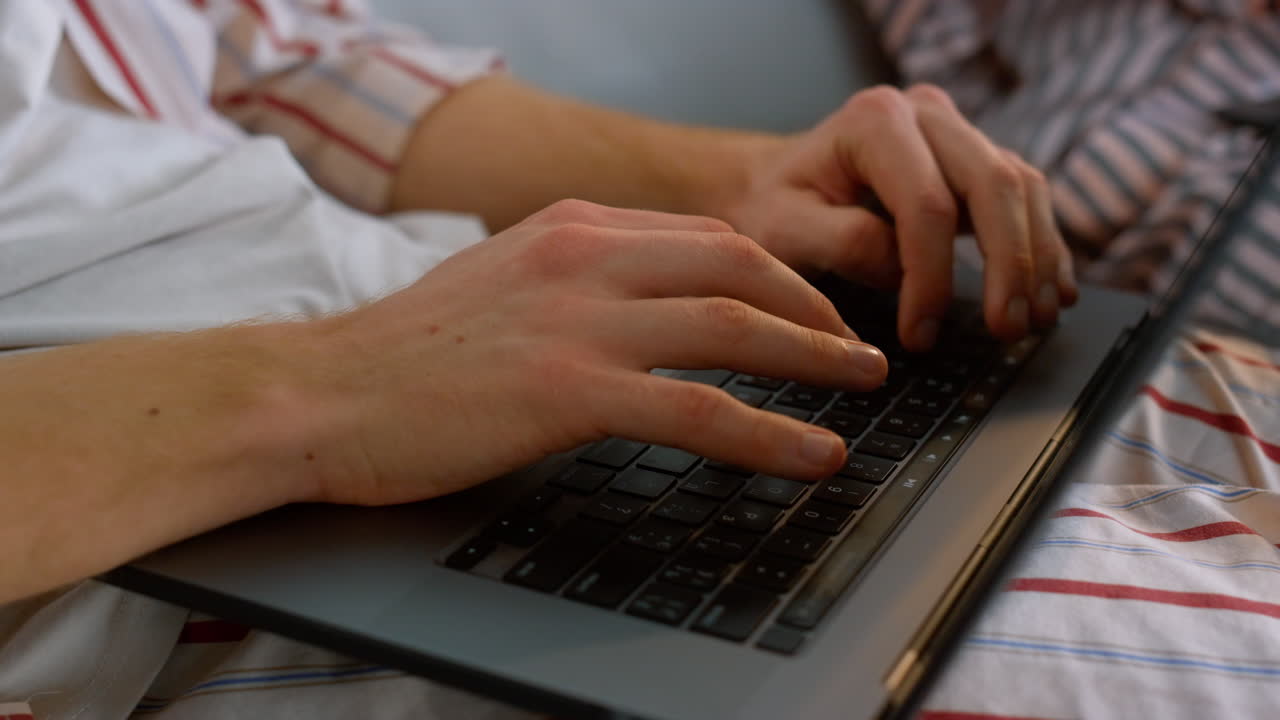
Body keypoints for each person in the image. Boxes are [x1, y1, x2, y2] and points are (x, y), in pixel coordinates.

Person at [0, 2, 1273, 719]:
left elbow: (268, 63)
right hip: (177, 556)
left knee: (1077, 395)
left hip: (463, 338)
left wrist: (742, 182)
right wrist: (327, 391)